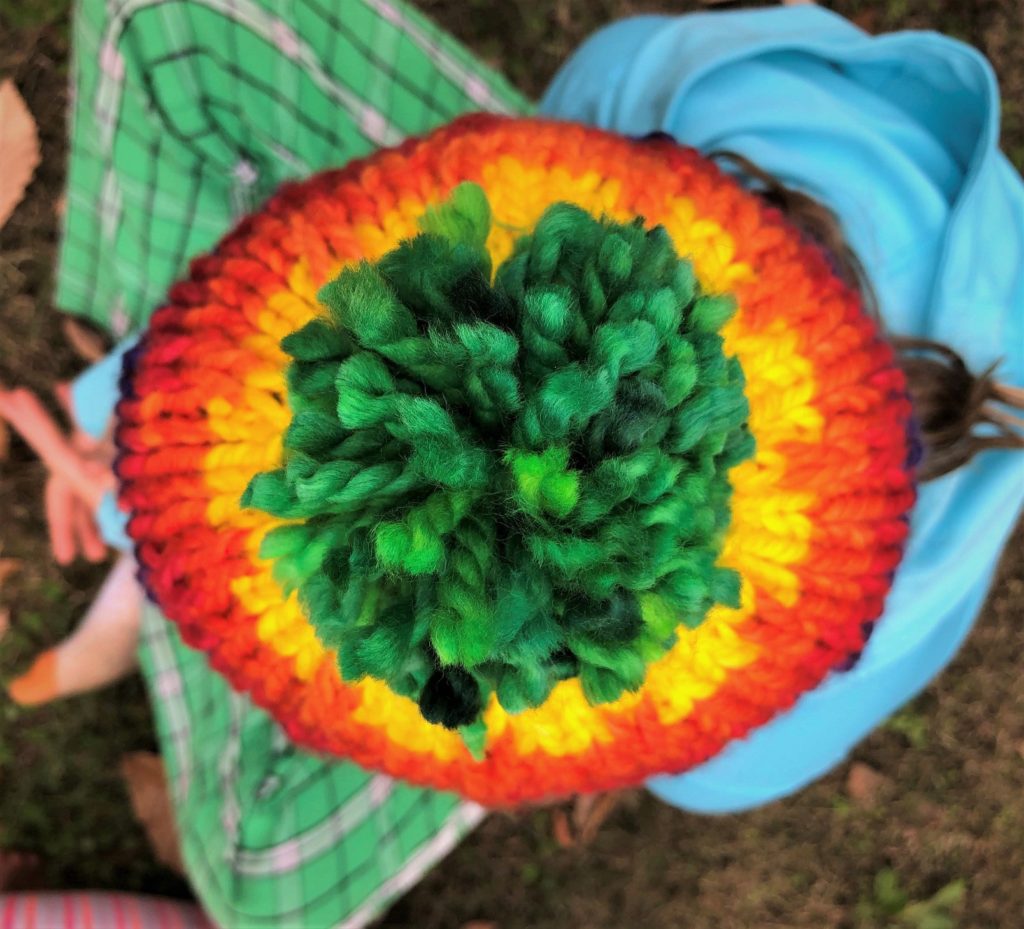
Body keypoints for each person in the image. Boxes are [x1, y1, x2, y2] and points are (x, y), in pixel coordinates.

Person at [0, 1, 1021, 926]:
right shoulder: (681, 94)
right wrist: (137, 421)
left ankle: (152, 536)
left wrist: (138, 424)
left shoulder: (658, 91)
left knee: (259, 882)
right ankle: (148, 503)